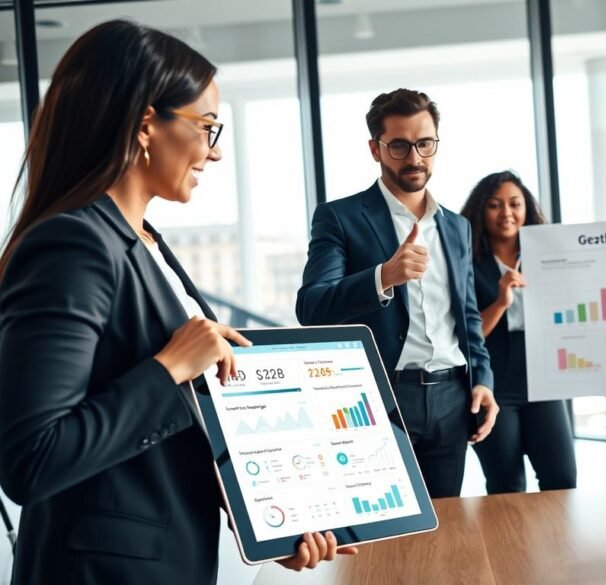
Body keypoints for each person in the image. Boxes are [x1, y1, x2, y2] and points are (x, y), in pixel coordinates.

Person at [0, 21, 352, 585]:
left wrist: (263, 525)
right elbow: (32, 459)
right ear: (146, 125)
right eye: (207, 127)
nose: (213, 153)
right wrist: (170, 369)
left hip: (168, 556)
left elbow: (178, 429)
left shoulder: (146, 241)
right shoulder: (70, 245)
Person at [296, 88, 498, 499]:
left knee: (446, 528)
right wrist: (382, 277)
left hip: (452, 397)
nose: (415, 158)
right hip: (376, 398)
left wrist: (484, 380)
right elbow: (312, 306)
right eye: (400, 146)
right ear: (376, 149)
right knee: (379, 534)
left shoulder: (456, 226)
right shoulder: (340, 217)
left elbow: (468, 316)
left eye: (425, 144)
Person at [459, 171, 577, 494]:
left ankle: (558, 545)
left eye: (515, 204)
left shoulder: (549, 254)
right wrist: (500, 302)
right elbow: (466, 337)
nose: (506, 213)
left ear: (527, 208)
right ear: (481, 211)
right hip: (494, 381)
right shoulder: (466, 261)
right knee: (506, 484)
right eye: (495, 205)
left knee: (562, 478)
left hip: (542, 377)